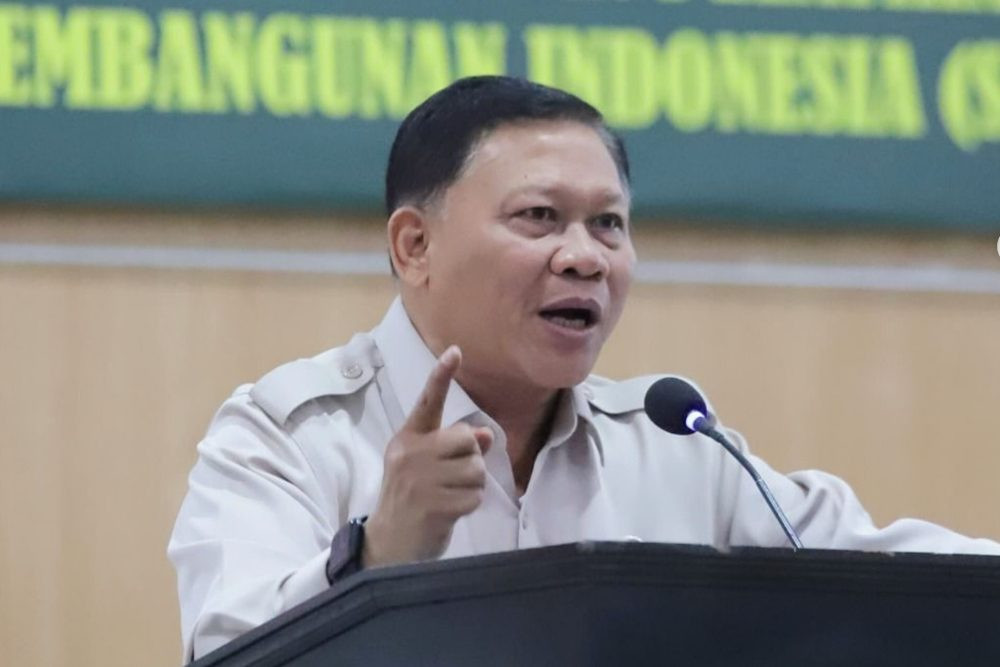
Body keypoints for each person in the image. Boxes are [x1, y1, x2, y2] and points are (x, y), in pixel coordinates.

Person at [168, 76, 1000, 660]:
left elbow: (907, 578)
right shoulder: (288, 436)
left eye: (609, 224)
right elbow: (229, 649)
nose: (586, 257)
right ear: (414, 245)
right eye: (540, 217)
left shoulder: (680, 446)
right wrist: (378, 557)